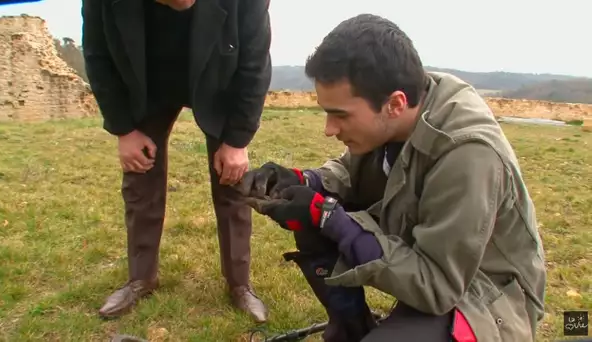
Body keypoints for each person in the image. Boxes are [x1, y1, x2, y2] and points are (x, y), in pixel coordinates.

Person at [235, 13, 547, 341]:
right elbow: (349, 174)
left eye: (340, 115)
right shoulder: (397, 106)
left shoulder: (468, 153)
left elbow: (437, 285)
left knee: (325, 219)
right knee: (314, 220)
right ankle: (351, 330)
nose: (329, 130)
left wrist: (330, 217)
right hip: (429, 260)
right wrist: (304, 181)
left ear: (395, 104)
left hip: (485, 295)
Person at [81, 0, 271, 322]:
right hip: (147, 85)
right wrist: (124, 130)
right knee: (140, 177)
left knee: (231, 178)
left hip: (218, 82)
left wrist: (237, 141)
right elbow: (98, 57)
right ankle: (141, 278)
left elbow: (254, 65)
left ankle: (239, 284)